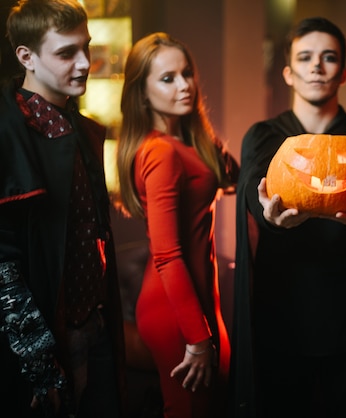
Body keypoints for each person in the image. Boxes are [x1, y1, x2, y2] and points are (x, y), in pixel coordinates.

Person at [231, 16, 346, 418]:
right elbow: (255, 187)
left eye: (328, 57)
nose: (317, 66)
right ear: (288, 72)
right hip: (281, 315)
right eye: (305, 58)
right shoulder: (264, 136)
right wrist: (269, 216)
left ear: (343, 72)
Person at [0, 0, 126, 416]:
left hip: (97, 324)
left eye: (86, 48)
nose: (85, 63)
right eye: (66, 52)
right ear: (27, 57)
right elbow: (3, 261)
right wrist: (39, 361)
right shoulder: (9, 129)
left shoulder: (77, 126)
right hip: (45, 341)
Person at [116, 32, 238, 418]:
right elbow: (167, 253)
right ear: (142, 92)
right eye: (168, 78)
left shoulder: (183, 142)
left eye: (187, 74)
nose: (185, 85)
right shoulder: (161, 152)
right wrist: (198, 339)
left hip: (198, 301)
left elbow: (234, 175)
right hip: (175, 309)